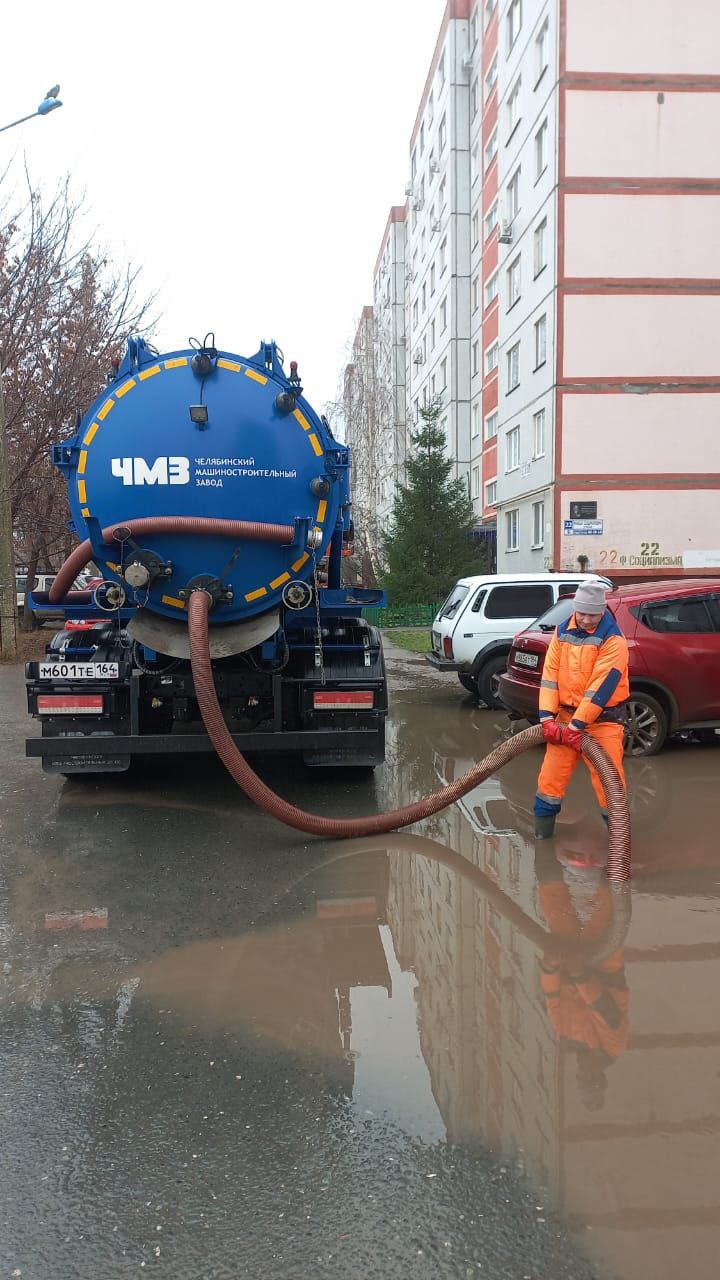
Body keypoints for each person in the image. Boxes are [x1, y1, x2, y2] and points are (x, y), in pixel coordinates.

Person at [534, 578, 629, 839]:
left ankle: (619, 846)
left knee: (609, 784)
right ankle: (543, 839)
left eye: (593, 614)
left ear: (602, 611)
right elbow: (550, 675)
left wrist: (578, 725)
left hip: (603, 722)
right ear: (575, 609)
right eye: (583, 613)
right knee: (549, 781)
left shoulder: (613, 640)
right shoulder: (561, 631)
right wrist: (546, 718)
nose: (587, 619)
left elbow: (600, 689)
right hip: (564, 719)